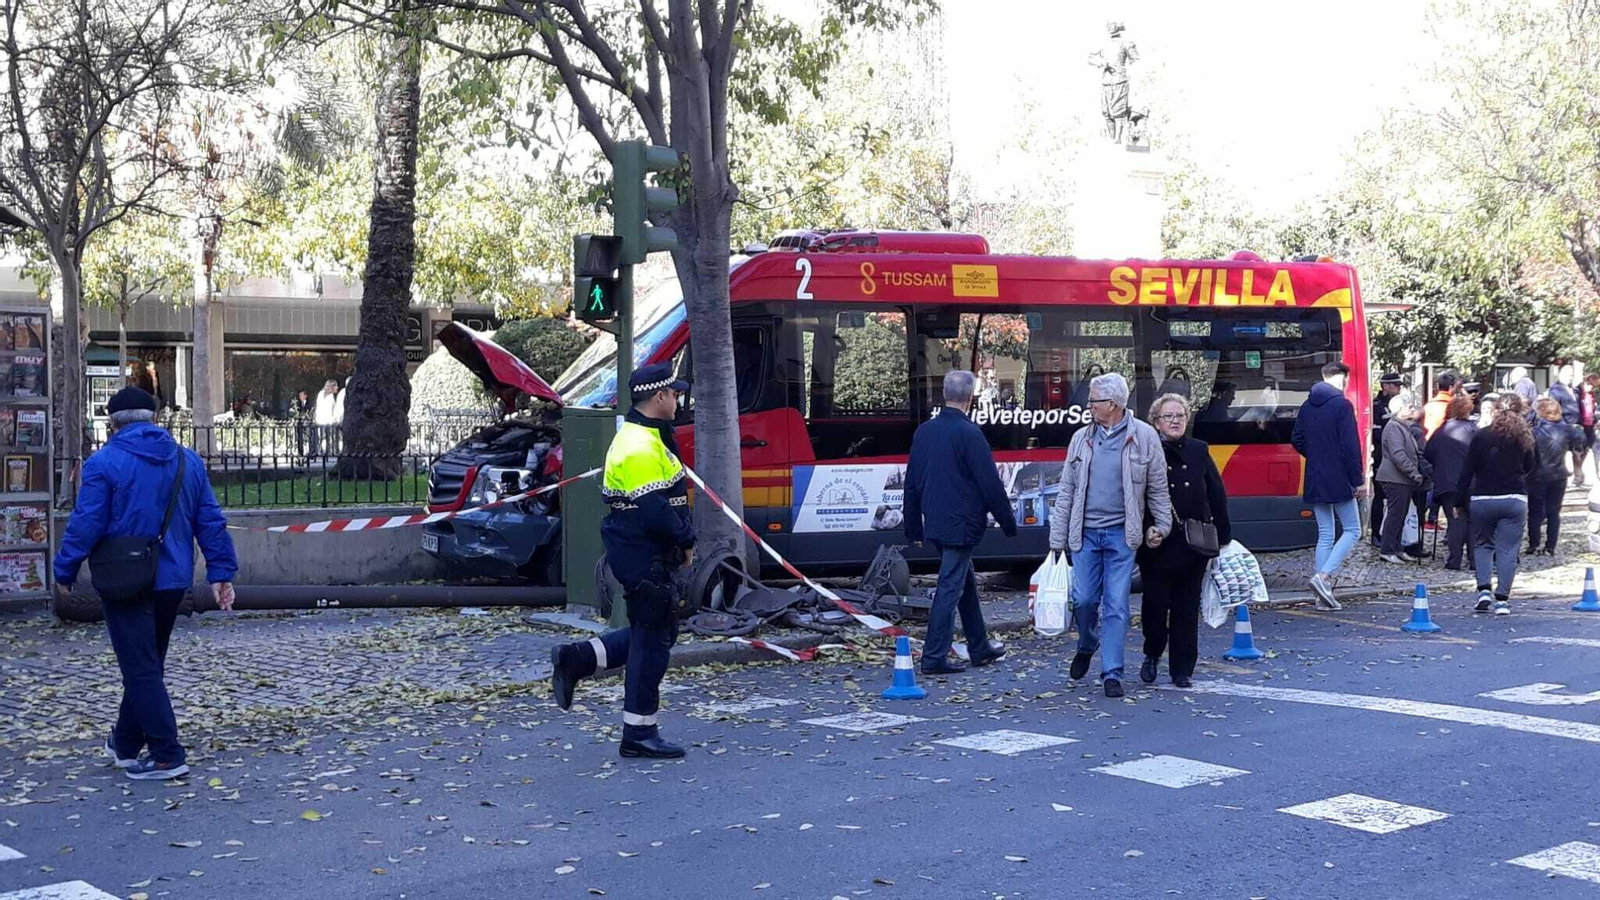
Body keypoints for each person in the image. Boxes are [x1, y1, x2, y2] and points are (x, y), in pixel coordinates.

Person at [53, 387, 238, 781]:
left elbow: (86, 524)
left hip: (125, 580)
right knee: (147, 664)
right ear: (153, 419)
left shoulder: (104, 463)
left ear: (114, 423)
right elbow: (210, 520)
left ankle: (167, 753)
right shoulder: (187, 462)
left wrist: (64, 571)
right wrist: (221, 573)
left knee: (140, 669)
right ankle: (123, 742)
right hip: (172, 581)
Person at [548, 364, 695, 759]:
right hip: (642, 554)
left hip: (647, 552)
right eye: (674, 393)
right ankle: (638, 733)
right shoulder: (638, 446)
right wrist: (686, 539)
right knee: (652, 642)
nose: (678, 399)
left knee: (656, 633)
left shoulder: (648, 436)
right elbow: (654, 511)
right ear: (659, 396)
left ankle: (576, 658)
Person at [1048, 372, 1171, 699]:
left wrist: (1161, 525)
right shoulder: (1080, 438)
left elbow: (1158, 488)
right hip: (1085, 534)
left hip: (1122, 535)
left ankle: (1112, 673)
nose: (1088, 406)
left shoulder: (1144, 437)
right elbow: (1066, 491)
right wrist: (1056, 539)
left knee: (1116, 604)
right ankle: (1087, 642)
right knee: (1084, 600)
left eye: (1093, 401)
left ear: (1113, 405)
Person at [901, 370, 1016, 675]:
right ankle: (934, 655)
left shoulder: (924, 431)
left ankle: (979, 646)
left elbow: (911, 481)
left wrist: (912, 526)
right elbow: (990, 484)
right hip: (961, 524)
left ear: (944, 395)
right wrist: (1008, 522)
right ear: (971, 398)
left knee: (963, 580)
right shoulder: (970, 434)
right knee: (949, 588)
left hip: (935, 522)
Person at [1136, 393, 1229, 689]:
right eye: (1168, 416)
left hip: (1194, 543)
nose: (1175, 421)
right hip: (1157, 543)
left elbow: (1216, 493)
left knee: (1186, 609)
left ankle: (1182, 669)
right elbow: (1135, 498)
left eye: (1180, 416)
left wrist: (1224, 538)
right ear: (1156, 422)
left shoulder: (1199, 449)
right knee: (1154, 605)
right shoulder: (1145, 451)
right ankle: (1152, 654)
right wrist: (1146, 529)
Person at [1290, 361, 1365, 610]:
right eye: (1345, 380)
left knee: (1325, 534)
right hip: (1339, 476)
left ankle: (1321, 597)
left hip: (1315, 475)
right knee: (1354, 530)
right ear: (1340, 379)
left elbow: (1296, 438)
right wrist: (1358, 479)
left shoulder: (1307, 405)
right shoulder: (1342, 405)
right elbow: (1351, 446)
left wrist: (1316, 454)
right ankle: (1324, 578)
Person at [1456, 392, 1536, 615]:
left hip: (1483, 496)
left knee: (1482, 545)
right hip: (1513, 497)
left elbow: (1467, 470)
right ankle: (1502, 598)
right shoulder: (1525, 437)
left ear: (1495, 409)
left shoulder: (1481, 435)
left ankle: (1483, 590)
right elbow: (1531, 466)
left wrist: (1457, 500)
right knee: (1508, 549)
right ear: (1520, 410)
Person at [1424, 393, 1477, 571]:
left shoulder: (1441, 431)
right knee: (1472, 521)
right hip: (1471, 483)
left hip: (1447, 483)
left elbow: (1428, 454)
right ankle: (1474, 560)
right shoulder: (1474, 430)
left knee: (1454, 522)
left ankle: (1454, 561)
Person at [1529, 397, 1584, 556]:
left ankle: (1534, 544)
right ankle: (1550, 546)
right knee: (1554, 512)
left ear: (1542, 412)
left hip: (1538, 474)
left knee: (1535, 511)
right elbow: (1580, 443)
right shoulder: (1568, 429)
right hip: (1559, 474)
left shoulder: (1535, 431)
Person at [1376, 392, 1427, 564]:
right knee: (1395, 514)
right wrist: (1414, 473)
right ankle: (1388, 549)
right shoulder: (1394, 427)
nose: (1413, 409)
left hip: (1401, 478)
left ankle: (1396, 548)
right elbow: (1398, 455)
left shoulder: (1401, 426)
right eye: (1409, 406)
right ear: (1400, 410)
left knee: (1401, 514)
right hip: (1394, 478)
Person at [1370, 373, 1404, 545]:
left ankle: (1394, 535)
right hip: (1381, 458)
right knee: (1379, 497)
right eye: (1396, 385)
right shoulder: (1376, 406)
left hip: (1397, 457)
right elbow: (1375, 434)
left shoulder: (1399, 405)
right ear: (1386, 386)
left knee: (1396, 500)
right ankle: (1376, 533)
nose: (1399, 389)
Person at [1579, 373, 1598, 487]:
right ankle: (1578, 471)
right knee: (1580, 448)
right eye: (1589, 384)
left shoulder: (1591, 395)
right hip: (1582, 423)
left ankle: (1581, 468)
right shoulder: (1580, 395)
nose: (1591, 387)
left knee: (1588, 447)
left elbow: (1592, 409)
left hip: (1590, 424)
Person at [312, 379, 339, 458]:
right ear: (332, 387)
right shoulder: (329, 396)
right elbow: (330, 409)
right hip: (326, 421)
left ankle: (322, 451)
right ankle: (327, 452)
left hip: (320, 420)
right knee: (328, 437)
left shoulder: (321, 394)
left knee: (322, 437)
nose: (337, 387)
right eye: (336, 386)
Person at [291, 390, 313, 461]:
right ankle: (300, 452)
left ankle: (311, 453)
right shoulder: (297, 404)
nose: (300, 397)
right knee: (300, 438)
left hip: (307, 422)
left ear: (305, 396)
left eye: (302, 395)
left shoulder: (310, 404)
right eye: (299, 395)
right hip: (300, 423)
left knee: (310, 437)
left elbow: (310, 412)